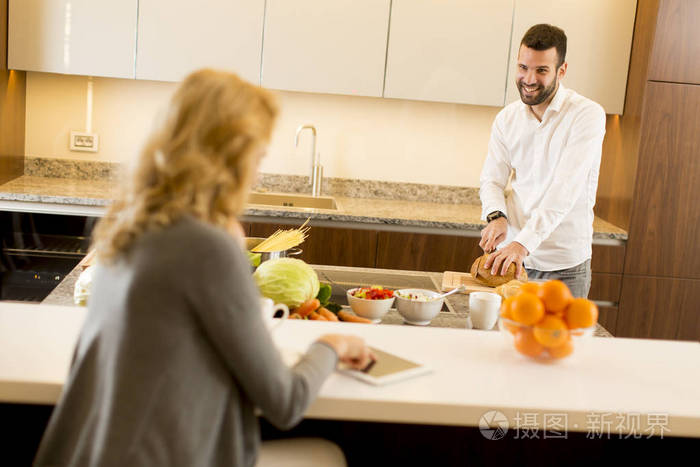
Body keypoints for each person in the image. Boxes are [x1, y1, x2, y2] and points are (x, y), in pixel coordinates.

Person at [34, 69, 372, 467]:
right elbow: (286, 401)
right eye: (258, 157)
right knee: (328, 456)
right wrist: (330, 346)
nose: (258, 173)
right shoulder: (208, 244)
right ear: (230, 158)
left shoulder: (124, 226)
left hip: (94, 455)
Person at [478, 24, 606, 298]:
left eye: (541, 70)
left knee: (558, 340)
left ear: (562, 71)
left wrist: (522, 244)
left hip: (564, 266)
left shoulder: (587, 116)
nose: (529, 78)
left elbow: (564, 190)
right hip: (513, 261)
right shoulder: (507, 119)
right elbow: (492, 179)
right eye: (523, 67)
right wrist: (496, 216)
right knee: (505, 339)